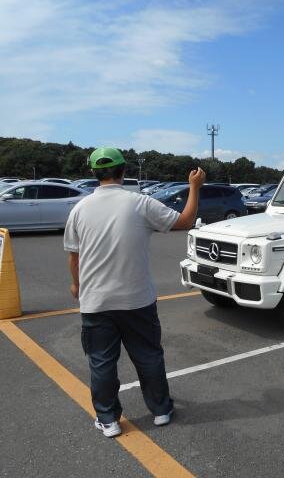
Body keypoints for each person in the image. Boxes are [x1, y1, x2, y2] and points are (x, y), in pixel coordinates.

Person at [63, 147, 206, 438]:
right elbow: (185, 220)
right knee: (148, 356)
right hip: (137, 299)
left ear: (93, 174)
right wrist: (194, 187)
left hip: (96, 302)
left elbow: (74, 256)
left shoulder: (79, 209)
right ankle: (161, 410)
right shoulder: (140, 203)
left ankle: (109, 419)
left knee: (102, 361)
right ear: (124, 171)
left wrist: (76, 284)